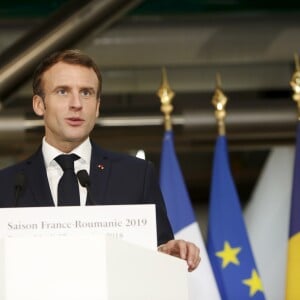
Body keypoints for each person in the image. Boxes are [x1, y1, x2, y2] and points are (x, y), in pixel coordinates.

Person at [0, 49, 200, 272]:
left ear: (97, 106)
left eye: (86, 93)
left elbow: (159, 251)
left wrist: (167, 254)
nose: (77, 104)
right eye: (63, 91)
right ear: (39, 105)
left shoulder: (136, 175)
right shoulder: (7, 185)